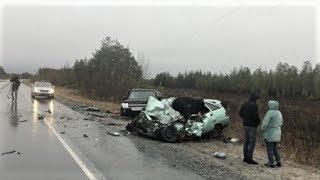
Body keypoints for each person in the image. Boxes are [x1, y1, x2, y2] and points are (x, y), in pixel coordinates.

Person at [239, 92, 260, 164]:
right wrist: (257, 123)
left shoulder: (244, 103)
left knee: (246, 142)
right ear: (255, 99)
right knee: (251, 143)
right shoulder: (254, 105)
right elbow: (256, 117)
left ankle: (245, 158)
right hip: (252, 126)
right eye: (257, 99)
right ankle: (249, 159)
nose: (257, 100)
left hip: (245, 125)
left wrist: (245, 119)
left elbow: (240, 113)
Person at [261, 100, 283, 168]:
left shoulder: (269, 113)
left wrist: (263, 129)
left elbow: (265, 123)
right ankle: (278, 161)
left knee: (270, 148)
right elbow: (281, 122)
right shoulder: (279, 112)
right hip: (278, 132)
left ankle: (272, 162)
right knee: (275, 148)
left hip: (270, 133)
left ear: (270, 105)